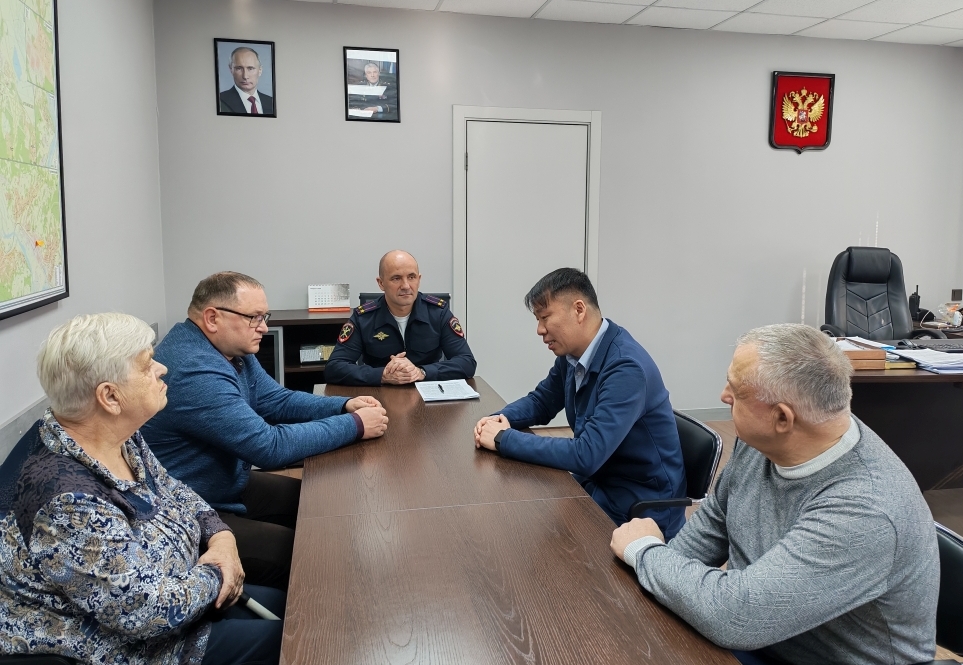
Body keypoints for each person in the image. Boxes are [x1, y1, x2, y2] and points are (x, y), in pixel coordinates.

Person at [610, 323, 940, 665]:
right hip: (762, 640)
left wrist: (645, 550)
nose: (723, 396)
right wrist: (660, 571)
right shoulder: (762, 444)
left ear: (782, 417)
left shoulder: (866, 509)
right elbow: (711, 527)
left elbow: (737, 616)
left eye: (736, 390)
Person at [0, 313, 284, 665]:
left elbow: (172, 489)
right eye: (147, 364)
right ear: (110, 396)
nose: (162, 369)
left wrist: (221, 537)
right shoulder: (66, 501)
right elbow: (144, 611)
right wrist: (216, 571)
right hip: (139, 647)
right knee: (293, 640)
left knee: (293, 608)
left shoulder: (114, 435)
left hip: (185, 592)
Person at [141, 271, 388, 590]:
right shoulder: (195, 370)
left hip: (226, 483)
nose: (263, 327)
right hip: (194, 513)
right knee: (314, 554)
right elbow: (269, 448)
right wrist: (356, 424)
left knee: (324, 508)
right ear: (213, 318)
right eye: (254, 317)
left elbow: (275, 400)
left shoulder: (228, 350)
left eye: (264, 317)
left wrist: (343, 406)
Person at [473, 268, 686, 536]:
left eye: (545, 318)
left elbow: (586, 454)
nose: (540, 330)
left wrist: (503, 439)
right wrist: (497, 419)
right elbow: (542, 401)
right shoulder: (574, 355)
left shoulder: (625, 368)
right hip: (601, 484)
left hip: (639, 508)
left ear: (579, 310)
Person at [325, 250, 477, 386]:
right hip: (378, 397)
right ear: (381, 283)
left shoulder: (438, 313)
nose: (405, 286)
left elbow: (467, 362)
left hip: (429, 395)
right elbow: (334, 367)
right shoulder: (363, 318)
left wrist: (421, 372)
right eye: (396, 278)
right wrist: (382, 375)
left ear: (419, 279)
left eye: (411, 277)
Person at [219, 46, 274, 115]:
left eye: (250, 68)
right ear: (231, 70)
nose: (245, 76)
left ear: (260, 70)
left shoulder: (271, 102)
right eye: (239, 68)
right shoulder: (220, 101)